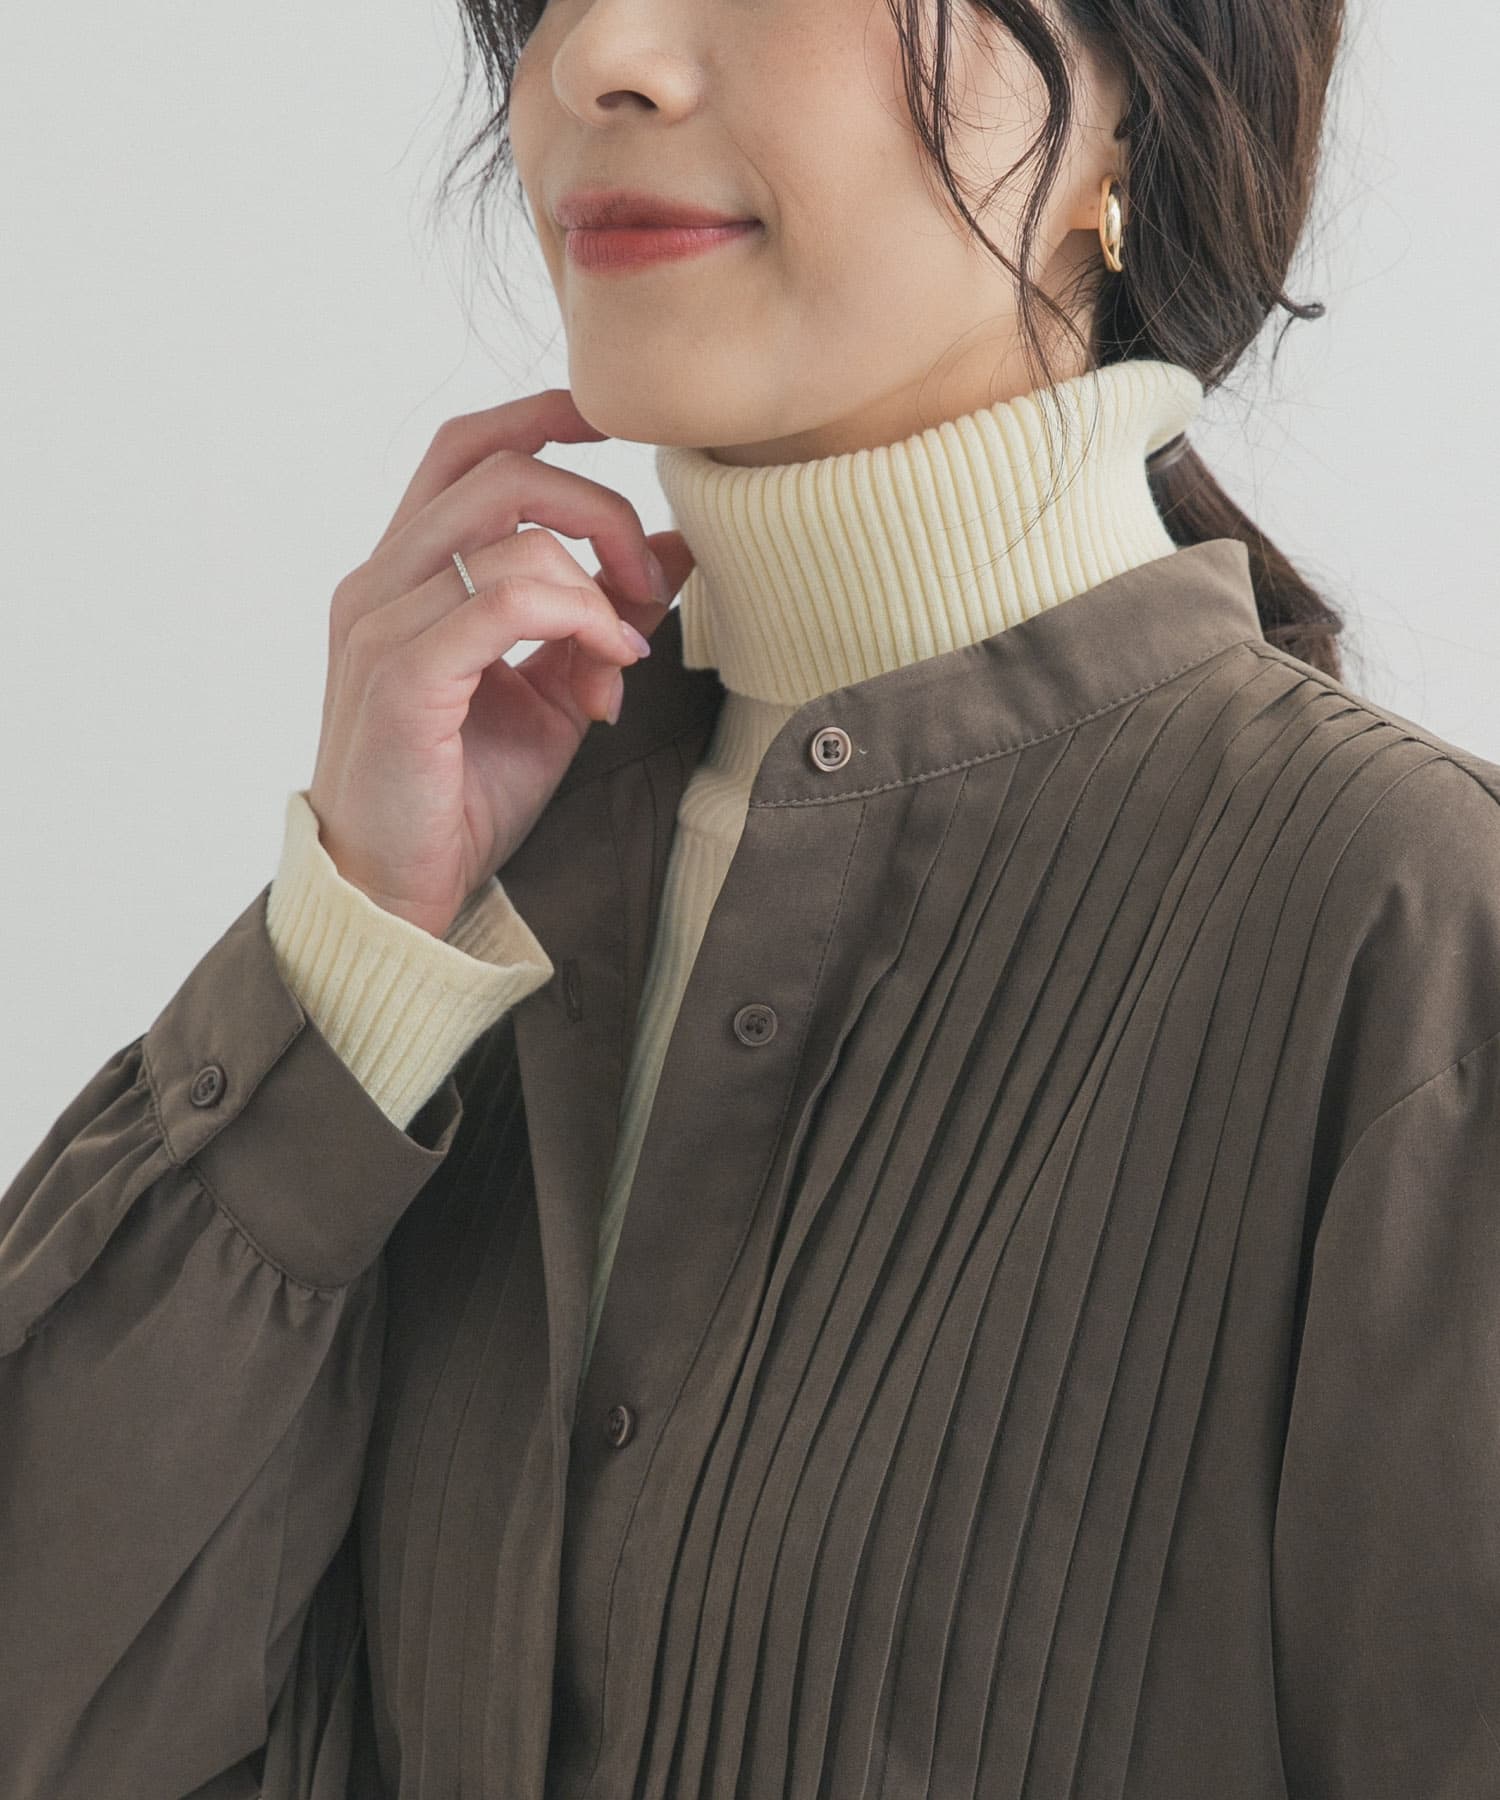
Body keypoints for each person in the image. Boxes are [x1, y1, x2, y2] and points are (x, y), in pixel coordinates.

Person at [4, 0, 1498, 1794]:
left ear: (1134, 111)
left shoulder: (1409, 937)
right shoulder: (463, 901)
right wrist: (351, 968)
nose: (600, 58)